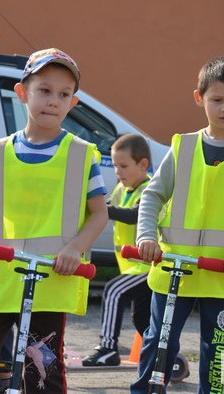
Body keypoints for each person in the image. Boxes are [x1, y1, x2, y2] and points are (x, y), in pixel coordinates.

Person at [0, 48, 108, 394]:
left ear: (73, 103)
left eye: (64, 94)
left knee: (42, 371)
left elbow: (100, 213)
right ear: (22, 92)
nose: (53, 101)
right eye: (44, 90)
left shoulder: (81, 154)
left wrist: (75, 249)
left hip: (51, 279)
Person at [130, 56, 224, 394]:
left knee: (220, 355)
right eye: (217, 99)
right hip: (173, 270)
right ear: (200, 98)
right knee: (158, 344)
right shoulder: (182, 147)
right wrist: (146, 236)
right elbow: (152, 196)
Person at [82, 134, 152, 366]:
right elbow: (108, 209)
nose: (117, 172)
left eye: (123, 166)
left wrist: (100, 209)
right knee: (141, 318)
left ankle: (108, 348)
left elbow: (133, 215)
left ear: (143, 164)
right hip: (134, 268)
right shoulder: (122, 190)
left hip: (149, 267)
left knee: (113, 291)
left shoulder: (150, 190)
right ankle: (162, 354)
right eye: (114, 166)